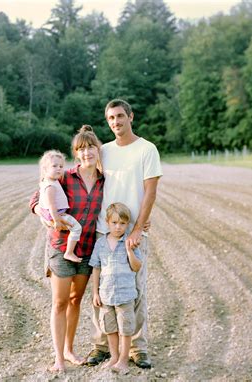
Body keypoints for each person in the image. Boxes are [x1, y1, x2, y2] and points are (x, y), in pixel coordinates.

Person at [86, 99, 163, 369]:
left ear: (131, 116)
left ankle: (137, 348)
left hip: (132, 233)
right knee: (102, 291)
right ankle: (102, 345)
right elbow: (79, 173)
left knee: (136, 291)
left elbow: (150, 192)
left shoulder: (146, 149)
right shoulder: (103, 151)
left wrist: (139, 228)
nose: (116, 122)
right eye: (110, 118)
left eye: (120, 116)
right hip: (104, 232)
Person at [29, 125, 104, 373]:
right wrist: (40, 212)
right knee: (60, 302)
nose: (86, 153)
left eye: (91, 147)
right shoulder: (66, 177)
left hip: (87, 249)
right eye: (81, 149)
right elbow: (37, 195)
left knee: (75, 300)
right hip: (61, 246)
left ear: (98, 150)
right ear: (76, 153)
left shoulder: (106, 181)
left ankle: (70, 350)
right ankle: (58, 358)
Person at [89, 202, 142, 375]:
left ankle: (124, 359)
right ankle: (114, 356)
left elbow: (136, 267)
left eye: (122, 223)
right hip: (106, 295)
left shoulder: (129, 242)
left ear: (127, 224)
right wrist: (95, 292)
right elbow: (96, 268)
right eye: (114, 223)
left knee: (125, 329)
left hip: (125, 294)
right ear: (107, 222)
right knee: (110, 327)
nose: (118, 227)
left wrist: (129, 251)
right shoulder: (101, 243)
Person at [38, 150, 82, 263]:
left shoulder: (50, 181)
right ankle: (69, 252)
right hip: (57, 214)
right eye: (54, 166)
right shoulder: (51, 186)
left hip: (54, 214)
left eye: (61, 166)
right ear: (45, 169)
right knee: (77, 228)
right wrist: (57, 220)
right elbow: (51, 205)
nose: (59, 168)